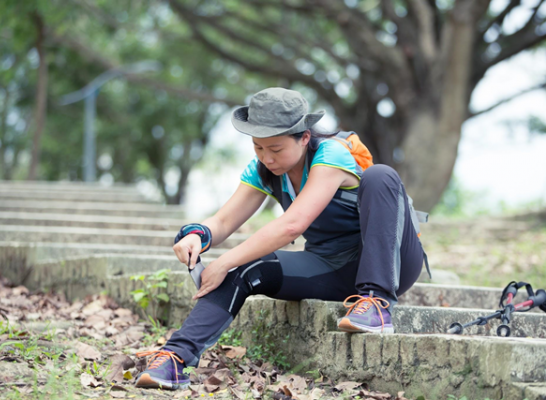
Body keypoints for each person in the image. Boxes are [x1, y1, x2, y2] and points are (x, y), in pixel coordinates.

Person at [134, 87, 428, 390]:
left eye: (275, 149)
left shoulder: (331, 153)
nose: (267, 158)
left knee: (381, 175)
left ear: (303, 137)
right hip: (331, 267)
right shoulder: (264, 170)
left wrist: (223, 260)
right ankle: (173, 359)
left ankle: (376, 303)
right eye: (258, 148)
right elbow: (223, 221)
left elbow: (292, 225)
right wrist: (198, 235)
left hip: (391, 262)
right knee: (243, 268)